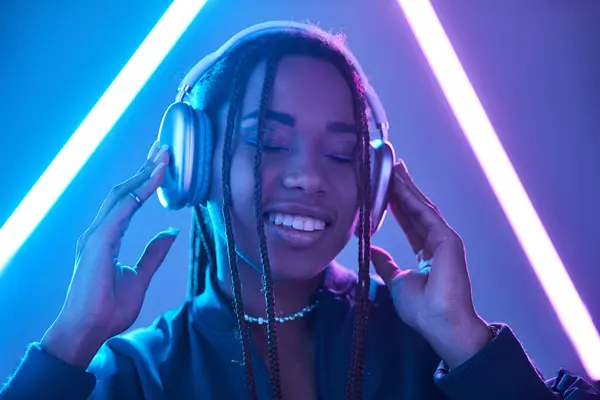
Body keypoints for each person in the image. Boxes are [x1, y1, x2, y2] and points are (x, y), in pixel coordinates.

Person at [0, 21, 598, 400]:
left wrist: (465, 339)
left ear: (373, 180)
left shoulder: (433, 354)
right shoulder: (138, 376)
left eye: (342, 153)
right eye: (265, 141)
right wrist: (72, 339)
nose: (310, 176)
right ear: (193, 165)